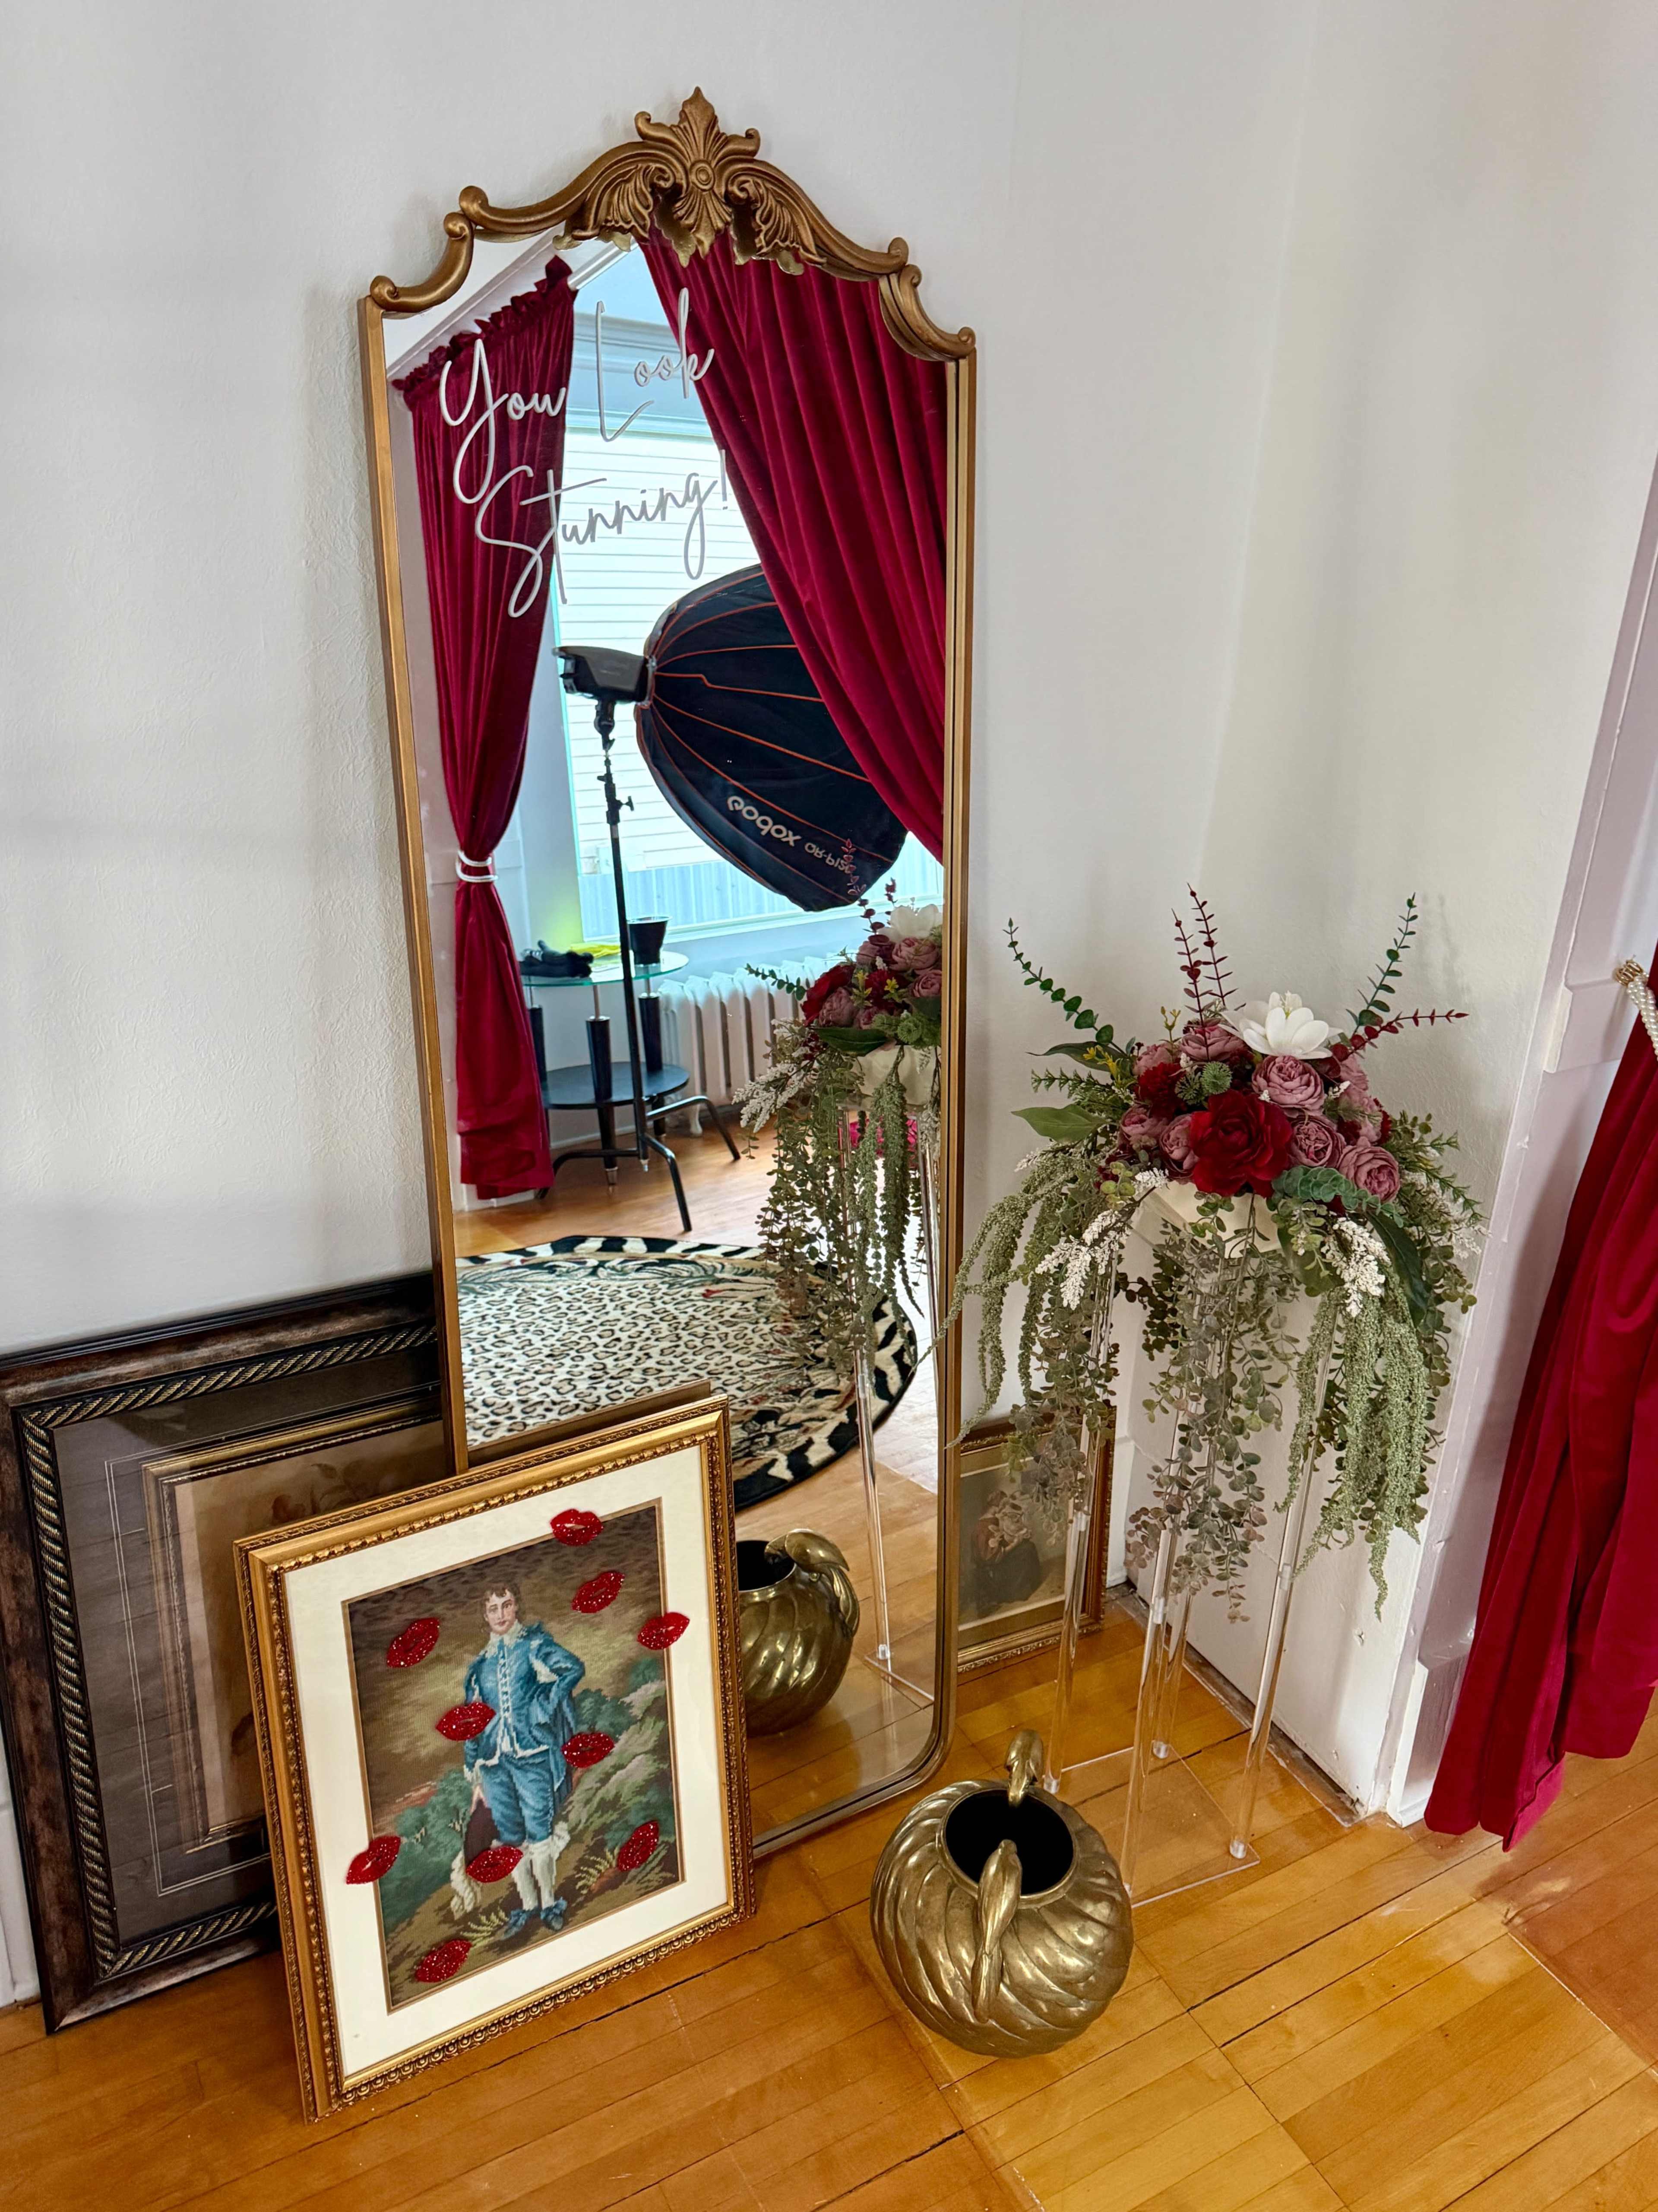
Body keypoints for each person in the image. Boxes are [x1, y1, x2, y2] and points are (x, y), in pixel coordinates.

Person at [453, 1581, 585, 1933]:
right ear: (485, 1615)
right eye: (493, 1609)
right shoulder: (480, 1667)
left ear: (516, 1608)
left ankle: (549, 1903)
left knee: (539, 1829)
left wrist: (544, 1705)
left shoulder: (534, 1646)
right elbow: (472, 1721)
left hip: (532, 1755)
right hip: (494, 1764)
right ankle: (527, 1906)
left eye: (507, 1605)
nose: (501, 1615)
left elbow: (573, 1668)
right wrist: (475, 1773)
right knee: (511, 1836)